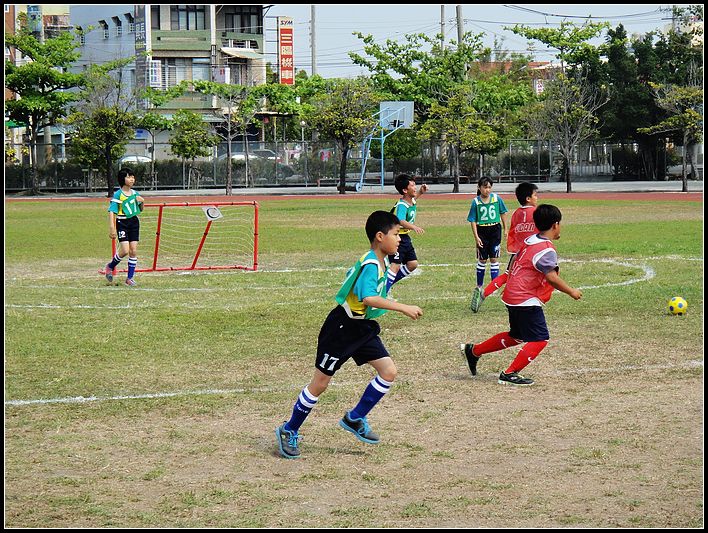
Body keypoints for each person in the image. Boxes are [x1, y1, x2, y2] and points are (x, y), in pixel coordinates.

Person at [275, 210, 424, 459]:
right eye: (396, 234)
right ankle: (289, 429)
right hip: (342, 329)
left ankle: (355, 418)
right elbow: (368, 297)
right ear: (380, 237)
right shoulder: (371, 263)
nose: (400, 239)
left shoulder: (380, 260)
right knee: (320, 384)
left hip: (362, 327)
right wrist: (403, 307)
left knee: (388, 371)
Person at [460, 204, 582, 385]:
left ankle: (474, 351)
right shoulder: (546, 249)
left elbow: (516, 263)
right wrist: (571, 291)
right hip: (525, 298)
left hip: (513, 295)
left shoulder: (530, 240)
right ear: (555, 225)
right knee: (540, 339)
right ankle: (509, 374)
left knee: (516, 336)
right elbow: (551, 278)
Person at [471, 182, 539, 312]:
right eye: (535, 195)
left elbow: (514, 232)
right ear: (528, 198)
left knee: (508, 275)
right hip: (533, 252)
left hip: (518, 252)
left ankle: (484, 294)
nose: (537, 198)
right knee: (544, 274)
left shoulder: (517, 213)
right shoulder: (537, 212)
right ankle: (528, 299)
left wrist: (514, 248)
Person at [466, 177, 508, 311]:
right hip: (482, 231)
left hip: (495, 230)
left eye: (489, 187)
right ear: (479, 188)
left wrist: (505, 228)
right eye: (485, 187)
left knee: (494, 258)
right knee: (482, 259)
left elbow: (503, 213)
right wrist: (476, 237)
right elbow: (472, 220)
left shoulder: (496, 198)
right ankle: (479, 286)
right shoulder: (476, 202)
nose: (487, 190)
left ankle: (494, 285)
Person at [101, 168, 144, 286]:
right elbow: (112, 211)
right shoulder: (118, 194)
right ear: (122, 179)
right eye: (129, 177)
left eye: (133, 177)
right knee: (124, 250)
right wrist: (112, 227)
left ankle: (129, 278)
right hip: (122, 223)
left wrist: (142, 202)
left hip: (134, 222)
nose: (132, 179)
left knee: (133, 251)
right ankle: (110, 266)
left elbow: (140, 209)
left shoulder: (135, 193)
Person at [386, 174, 428, 292]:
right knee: (395, 265)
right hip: (395, 237)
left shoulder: (409, 201)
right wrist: (414, 227)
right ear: (405, 190)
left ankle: (387, 284)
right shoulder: (402, 205)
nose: (415, 187)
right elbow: (400, 220)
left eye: (415, 185)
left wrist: (420, 192)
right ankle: (384, 290)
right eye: (412, 186)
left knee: (412, 264)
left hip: (404, 237)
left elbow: (413, 199)